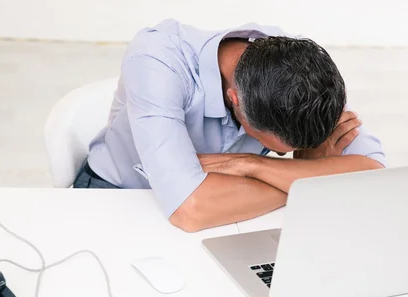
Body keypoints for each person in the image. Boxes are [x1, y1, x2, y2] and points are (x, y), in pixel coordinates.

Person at [74, 19, 387, 232]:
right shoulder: (157, 61)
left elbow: (373, 177)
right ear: (235, 100)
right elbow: (191, 209)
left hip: (227, 211)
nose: (290, 156)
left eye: (295, 152)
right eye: (280, 151)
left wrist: (250, 164)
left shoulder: (295, 70)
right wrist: (312, 180)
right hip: (119, 196)